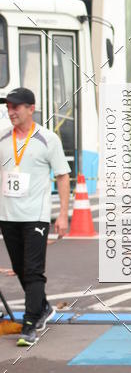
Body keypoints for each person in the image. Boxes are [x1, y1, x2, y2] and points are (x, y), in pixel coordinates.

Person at [0, 88, 70, 346]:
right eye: (8, 107)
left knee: (32, 270)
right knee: (20, 268)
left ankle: (29, 325)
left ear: (31, 108)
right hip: (7, 215)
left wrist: (62, 215)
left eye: (16, 107)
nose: (11, 112)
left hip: (35, 216)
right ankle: (43, 308)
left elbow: (63, 175)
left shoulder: (47, 139)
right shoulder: (3, 137)